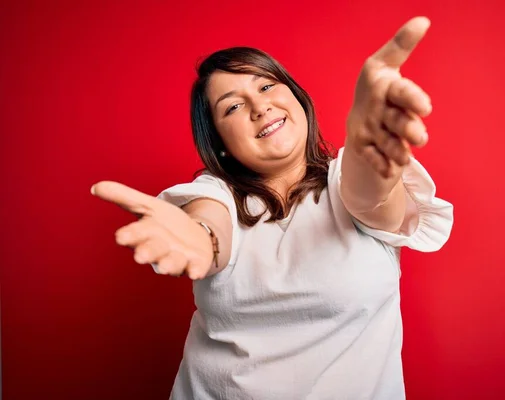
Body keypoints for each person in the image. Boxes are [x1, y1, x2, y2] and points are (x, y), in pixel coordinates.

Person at [91, 16, 453, 400]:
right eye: (232, 107)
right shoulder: (216, 194)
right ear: (220, 143)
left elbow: (372, 198)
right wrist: (204, 239)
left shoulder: (351, 180)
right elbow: (209, 223)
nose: (259, 106)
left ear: (296, 98)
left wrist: (369, 153)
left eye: (266, 85)